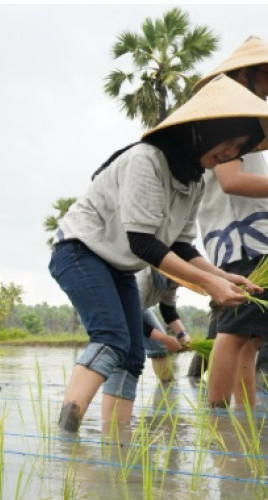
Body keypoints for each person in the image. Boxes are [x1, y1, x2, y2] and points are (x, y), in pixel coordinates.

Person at [49, 74, 268, 433]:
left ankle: (116, 443)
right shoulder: (147, 159)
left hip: (118, 265)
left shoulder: (194, 179)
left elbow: (181, 244)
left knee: (134, 355)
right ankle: (66, 434)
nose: (230, 154)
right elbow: (144, 243)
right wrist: (207, 286)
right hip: (79, 251)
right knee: (110, 337)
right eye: (227, 142)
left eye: (238, 148)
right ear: (203, 132)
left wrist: (223, 276)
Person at [190, 36, 268, 408]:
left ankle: (246, 421)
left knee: (250, 337)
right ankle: (219, 420)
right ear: (247, 75)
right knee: (236, 332)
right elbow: (231, 180)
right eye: (266, 76)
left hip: (248, 240)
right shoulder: (228, 118)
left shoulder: (246, 121)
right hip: (242, 242)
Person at [136, 268, 191, 383]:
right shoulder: (142, 279)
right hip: (118, 307)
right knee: (123, 351)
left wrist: (183, 335)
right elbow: (133, 318)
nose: (180, 286)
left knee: (160, 346)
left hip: (139, 309)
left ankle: (166, 388)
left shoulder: (171, 283)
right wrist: (166, 340)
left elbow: (168, 310)